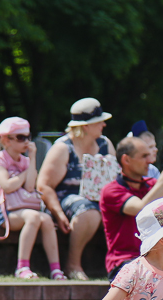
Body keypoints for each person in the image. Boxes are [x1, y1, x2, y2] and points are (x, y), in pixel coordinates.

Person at [37, 97, 117, 280]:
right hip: (69, 199)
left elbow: (115, 178)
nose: (104, 125)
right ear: (86, 126)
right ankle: (73, 264)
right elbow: (45, 186)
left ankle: (124, 264)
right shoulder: (63, 148)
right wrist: (58, 214)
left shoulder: (105, 144)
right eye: (100, 122)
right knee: (89, 211)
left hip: (102, 199)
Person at [100, 136, 163, 279]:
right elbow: (140, 209)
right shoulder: (111, 190)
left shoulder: (152, 186)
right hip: (125, 262)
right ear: (126, 160)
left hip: (158, 259)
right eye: (144, 156)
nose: (150, 161)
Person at [0, 117, 66, 280]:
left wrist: (33, 157)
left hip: (20, 208)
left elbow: (29, 187)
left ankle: (56, 269)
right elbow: (7, 185)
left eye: (28, 137)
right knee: (34, 216)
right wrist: (25, 173)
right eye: (21, 138)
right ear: (5, 140)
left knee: (47, 220)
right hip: (0, 211)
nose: (26, 142)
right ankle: (22, 267)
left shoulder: (25, 160)